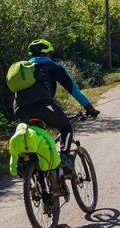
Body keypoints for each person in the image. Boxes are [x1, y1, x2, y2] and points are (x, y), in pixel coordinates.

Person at [13, 39, 100, 170]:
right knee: (65, 127)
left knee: (32, 138)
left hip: (20, 109)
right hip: (44, 105)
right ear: (48, 54)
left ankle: (30, 167)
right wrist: (90, 108)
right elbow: (74, 90)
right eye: (50, 53)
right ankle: (64, 157)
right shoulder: (53, 67)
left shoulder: (23, 70)